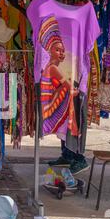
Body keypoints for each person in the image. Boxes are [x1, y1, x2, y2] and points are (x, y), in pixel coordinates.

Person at [38, 15, 90, 175]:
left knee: (73, 126)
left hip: (75, 89)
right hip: (63, 94)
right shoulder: (53, 65)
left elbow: (71, 81)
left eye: (62, 50)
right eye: (58, 50)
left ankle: (79, 158)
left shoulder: (80, 35)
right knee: (66, 127)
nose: (62, 53)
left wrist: (75, 88)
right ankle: (67, 155)